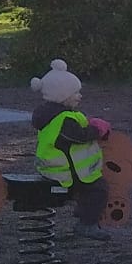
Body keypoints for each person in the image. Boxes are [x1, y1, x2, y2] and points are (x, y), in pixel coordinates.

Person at [29, 58, 111, 236]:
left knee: (90, 187)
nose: (80, 96)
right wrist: (97, 129)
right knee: (99, 189)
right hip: (63, 172)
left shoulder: (53, 115)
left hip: (53, 168)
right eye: (76, 93)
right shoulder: (64, 119)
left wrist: (90, 125)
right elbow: (79, 136)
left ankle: (83, 213)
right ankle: (87, 224)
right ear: (63, 96)